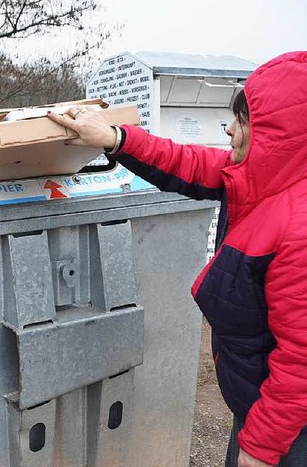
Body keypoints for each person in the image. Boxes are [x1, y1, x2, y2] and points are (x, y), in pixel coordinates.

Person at [48, 51, 307, 467]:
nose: (230, 131)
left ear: (281, 135)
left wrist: (259, 448)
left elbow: (301, 365)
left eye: (242, 121)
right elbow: (186, 161)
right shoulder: (267, 181)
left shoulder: (299, 227)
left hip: (290, 426)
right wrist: (116, 138)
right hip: (261, 407)